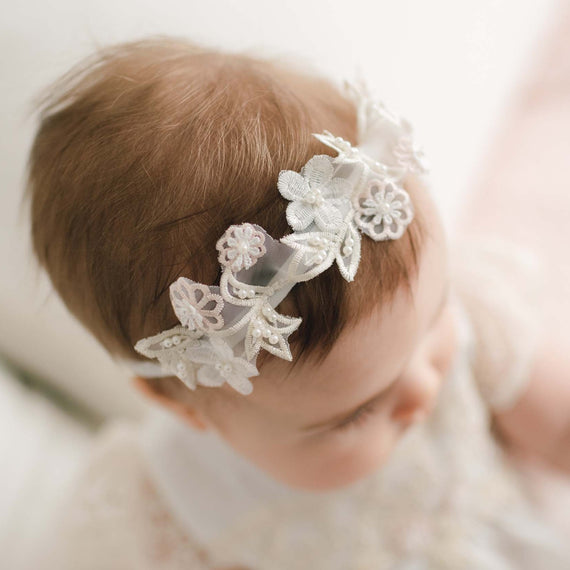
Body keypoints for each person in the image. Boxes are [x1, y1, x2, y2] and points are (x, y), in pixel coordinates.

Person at [24, 35, 570, 569]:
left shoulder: (462, 317)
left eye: (436, 317)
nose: (426, 388)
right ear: (183, 406)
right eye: (356, 413)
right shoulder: (180, 512)